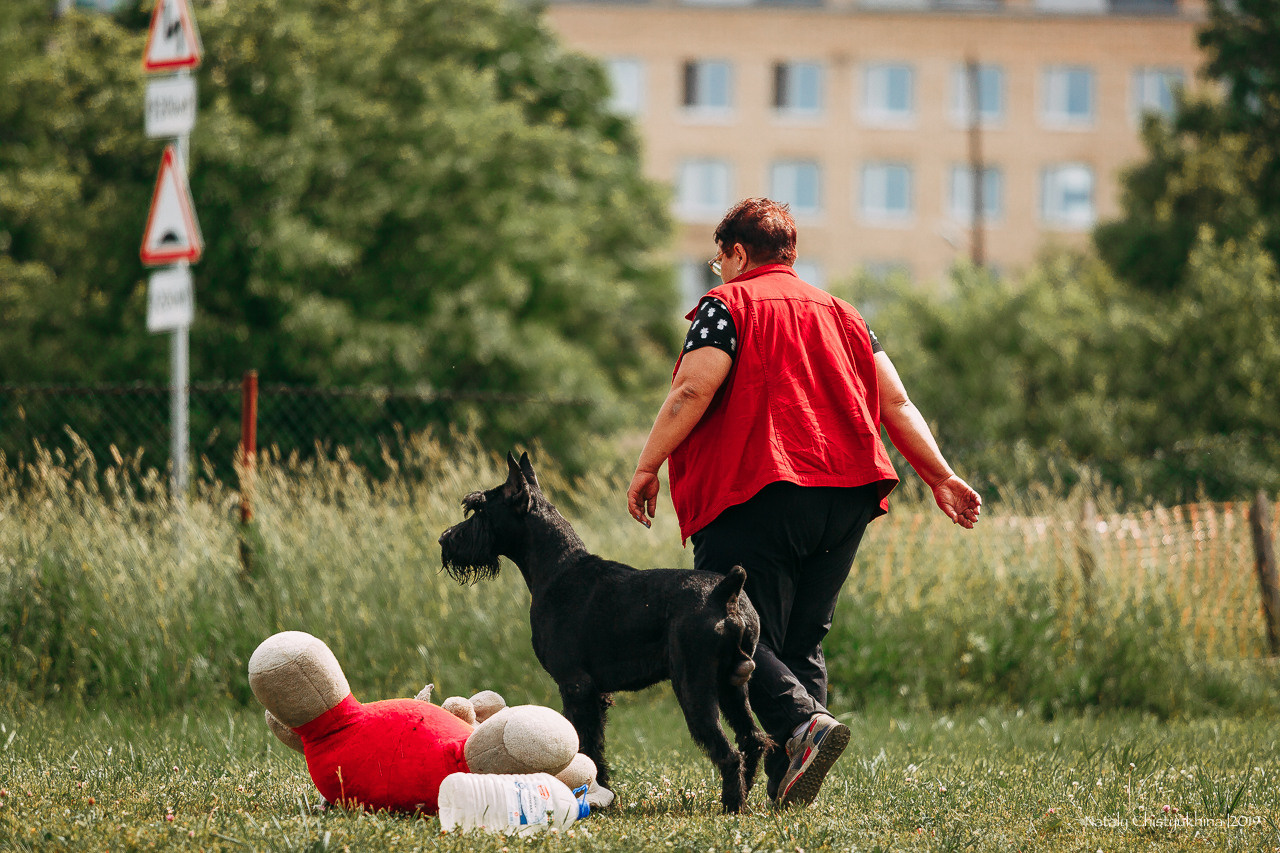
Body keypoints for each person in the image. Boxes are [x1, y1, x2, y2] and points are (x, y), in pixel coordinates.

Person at [626, 198, 981, 808]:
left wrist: (646, 465)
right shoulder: (845, 314)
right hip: (846, 495)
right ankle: (792, 781)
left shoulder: (726, 305)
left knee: (726, 630)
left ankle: (803, 726)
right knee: (799, 642)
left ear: (738, 253)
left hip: (760, 488)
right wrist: (940, 475)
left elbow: (691, 388)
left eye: (719, 261)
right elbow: (895, 403)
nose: (719, 272)